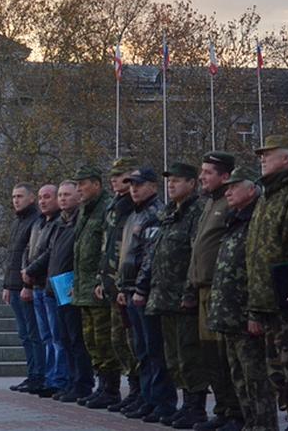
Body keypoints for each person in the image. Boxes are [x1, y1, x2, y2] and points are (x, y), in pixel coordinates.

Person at [247, 135, 288, 430]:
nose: (262, 158)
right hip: (265, 297)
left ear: (286, 159)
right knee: (276, 366)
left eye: (268, 154)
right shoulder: (267, 195)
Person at [136, 162, 208, 428]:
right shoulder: (169, 212)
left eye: (177, 180)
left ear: (192, 183)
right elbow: (157, 253)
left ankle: (195, 408)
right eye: (169, 181)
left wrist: (189, 292)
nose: (172, 184)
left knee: (190, 356)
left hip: (183, 297)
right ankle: (183, 405)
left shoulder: (196, 211)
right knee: (173, 357)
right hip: (163, 297)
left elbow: (195, 255)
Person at [209, 167, 277, 431]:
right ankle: (250, 423)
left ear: (251, 190)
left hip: (246, 314)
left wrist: (255, 313)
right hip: (228, 314)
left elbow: (259, 270)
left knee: (256, 378)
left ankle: (264, 425)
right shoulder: (234, 219)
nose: (228, 192)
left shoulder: (257, 220)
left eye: (234, 187)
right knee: (238, 377)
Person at [184, 152, 242, 431]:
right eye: (202, 171)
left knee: (224, 355)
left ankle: (236, 412)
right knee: (210, 356)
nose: (202, 177)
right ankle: (222, 409)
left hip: (223, 290)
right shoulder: (210, 204)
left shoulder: (229, 202)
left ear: (225, 176)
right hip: (203, 289)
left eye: (208, 172)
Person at [29, 181, 95, 402]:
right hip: (54, 286)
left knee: (75, 339)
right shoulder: (60, 224)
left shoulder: (79, 222)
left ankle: (80, 383)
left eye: (67, 194)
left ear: (78, 196)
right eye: (61, 195)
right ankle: (70, 382)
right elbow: (50, 254)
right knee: (64, 338)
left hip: (71, 286)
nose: (63, 199)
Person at [119, 167, 176, 422]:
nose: (134, 188)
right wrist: (123, 287)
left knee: (154, 350)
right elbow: (127, 255)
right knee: (141, 350)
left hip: (147, 292)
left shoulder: (155, 214)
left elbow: (149, 257)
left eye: (139, 184)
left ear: (153, 186)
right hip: (131, 291)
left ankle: (161, 402)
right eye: (131, 184)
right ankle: (147, 398)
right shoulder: (135, 214)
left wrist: (140, 287)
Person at [93, 157, 142, 412]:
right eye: (112, 175)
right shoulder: (115, 205)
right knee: (117, 339)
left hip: (126, 283)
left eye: (120, 175)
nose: (114, 179)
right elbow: (107, 244)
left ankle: (139, 390)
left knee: (130, 339)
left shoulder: (133, 206)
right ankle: (130, 388)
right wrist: (102, 278)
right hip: (112, 281)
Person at [70, 163, 118, 408]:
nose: (78, 189)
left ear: (96, 185)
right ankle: (102, 385)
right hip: (83, 287)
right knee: (91, 341)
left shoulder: (106, 208)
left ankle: (110, 389)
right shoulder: (84, 210)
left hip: (97, 288)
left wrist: (101, 280)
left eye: (82, 184)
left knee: (103, 339)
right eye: (76, 185)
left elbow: (105, 249)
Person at [2, 182, 46, 393]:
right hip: (14, 287)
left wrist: (27, 285)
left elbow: (31, 256)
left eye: (20, 196)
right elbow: (13, 256)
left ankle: (39, 375)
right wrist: (6, 285)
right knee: (25, 334)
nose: (15, 200)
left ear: (31, 199)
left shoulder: (35, 221)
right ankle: (32, 374)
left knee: (32, 333)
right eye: (13, 197)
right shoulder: (18, 221)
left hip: (26, 287)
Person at [22, 184, 64, 397]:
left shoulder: (58, 223)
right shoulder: (39, 223)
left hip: (50, 286)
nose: (42, 201)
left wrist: (30, 269)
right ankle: (48, 377)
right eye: (40, 197)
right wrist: (26, 274)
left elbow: (50, 252)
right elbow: (28, 250)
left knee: (57, 336)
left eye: (47, 197)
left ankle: (58, 379)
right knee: (46, 336)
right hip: (36, 285)